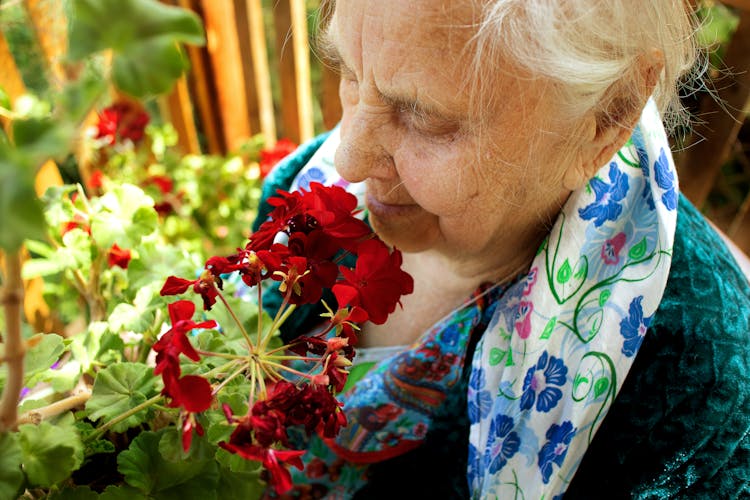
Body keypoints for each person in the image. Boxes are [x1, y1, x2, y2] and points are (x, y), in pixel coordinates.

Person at [252, 0, 750, 497]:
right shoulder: (306, 196)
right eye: (350, 73)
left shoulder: (694, 390)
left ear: (605, 118)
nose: (349, 159)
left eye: (424, 116)